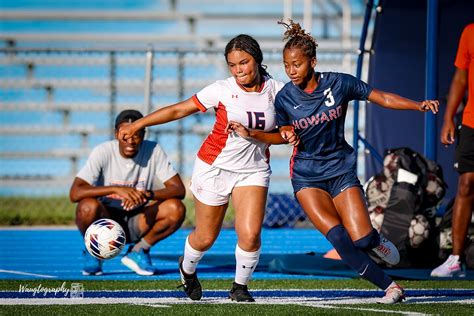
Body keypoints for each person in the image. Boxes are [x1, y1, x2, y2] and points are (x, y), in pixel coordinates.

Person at [228, 20, 439, 304]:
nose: (291, 71)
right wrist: (265, 133)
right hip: (306, 177)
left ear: (312, 61)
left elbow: (382, 97)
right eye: (287, 65)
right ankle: (391, 287)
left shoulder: (340, 84)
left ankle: (376, 240)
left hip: (340, 171)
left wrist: (418, 105)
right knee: (339, 238)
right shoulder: (284, 99)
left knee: (362, 240)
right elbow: (279, 135)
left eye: (297, 64)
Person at [118, 35, 297, 302]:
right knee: (205, 237)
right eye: (233, 65)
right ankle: (187, 269)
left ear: (257, 59)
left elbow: (286, 132)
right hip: (214, 168)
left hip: (253, 170)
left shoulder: (279, 91)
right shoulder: (222, 89)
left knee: (249, 234)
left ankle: (239, 287)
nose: (239, 70)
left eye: (244, 62)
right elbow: (180, 110)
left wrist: (284, 132)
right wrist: (138, 124)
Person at [70, 109, 186, 276]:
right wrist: (116, 189)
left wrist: (146, 195)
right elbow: (75, 192)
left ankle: (139, 250)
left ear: (144, 135)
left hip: (138, 220)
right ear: (116, 134)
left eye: (136, 135)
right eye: (125, 135)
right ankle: (94, 251)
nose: (130, 141)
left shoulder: (153, 150)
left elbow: (178, 189)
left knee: (176, 208)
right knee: (86, 207)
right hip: (107, 218)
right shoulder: (103, 151)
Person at [431, 23, 474, 278]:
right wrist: (449, 118)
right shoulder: (469, 31)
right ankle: (455, 259)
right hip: (470, 123)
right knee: (466, 184)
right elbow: (460, 76)